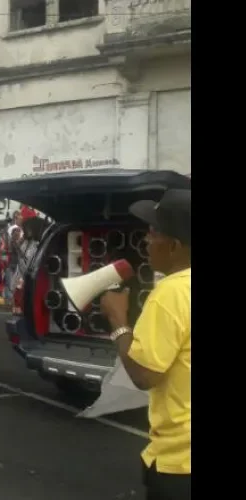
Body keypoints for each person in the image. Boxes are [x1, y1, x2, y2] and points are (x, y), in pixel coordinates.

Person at [100, 189, 191, 500]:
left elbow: (144, 375)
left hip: (180, 464)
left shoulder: (171, 293)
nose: (146, 240)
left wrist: (118, 320)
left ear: (175, 246)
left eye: (154, 232)